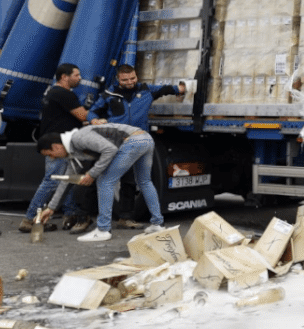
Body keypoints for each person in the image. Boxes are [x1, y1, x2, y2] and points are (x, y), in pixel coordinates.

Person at [86, 64, 184, 229]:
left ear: (136, 76)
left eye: (133, 78)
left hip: (139, 141)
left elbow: (166, 89)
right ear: (118, 79)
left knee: (130, 181)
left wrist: (180, 88)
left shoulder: (146, 90)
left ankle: (121, 219)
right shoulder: (109, 94)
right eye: (125, 80)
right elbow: (92, 111)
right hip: (117, 140)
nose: (130, 82)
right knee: (119, 179)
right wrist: (94, 120)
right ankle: (154, 222)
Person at [37, 122, 166, 242]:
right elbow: (66, 180)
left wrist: (92, 174)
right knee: (145, 181)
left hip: (133, 141)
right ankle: (157, 224)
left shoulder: (79, 138)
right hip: (145, 139)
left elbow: (109, 150)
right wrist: (51, 208)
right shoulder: (74, 152)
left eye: (50, 154)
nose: (52, 158)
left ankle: (103, 230)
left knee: (105, 181)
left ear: (56, 146)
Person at [19, 63, 95, 234]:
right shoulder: (63, 94)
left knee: (66, 179)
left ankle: (71, 215)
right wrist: (98, 116)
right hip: (58, 145)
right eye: (76, 75)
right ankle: (30, 219)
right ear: (64, 77)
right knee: (52, 181)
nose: (80, 78)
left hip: (59, 144)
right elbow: (83, 115)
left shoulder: (53, 92)